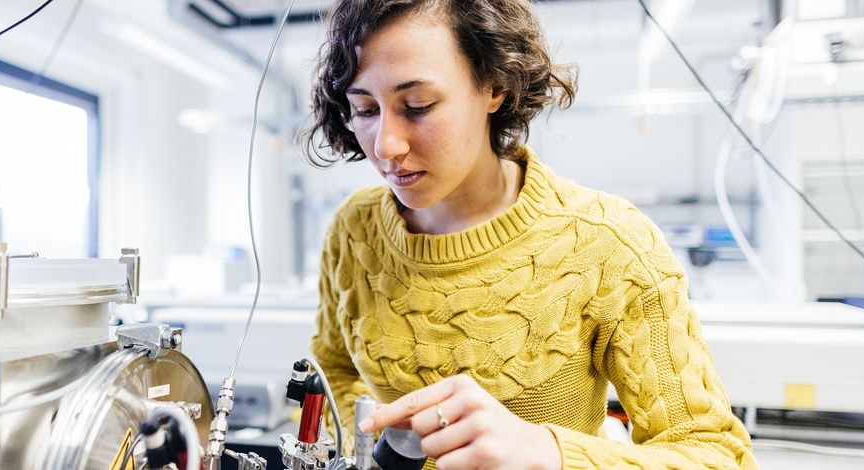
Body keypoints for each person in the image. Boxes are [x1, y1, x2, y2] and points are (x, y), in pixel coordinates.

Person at [303, 0, 756, 469]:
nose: (386, 145)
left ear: (494, 86)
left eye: (418, 107)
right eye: (365, 109)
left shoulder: (610, 244)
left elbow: (718, 456)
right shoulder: (354, 231)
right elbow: (332, 369)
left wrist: (549, 455)